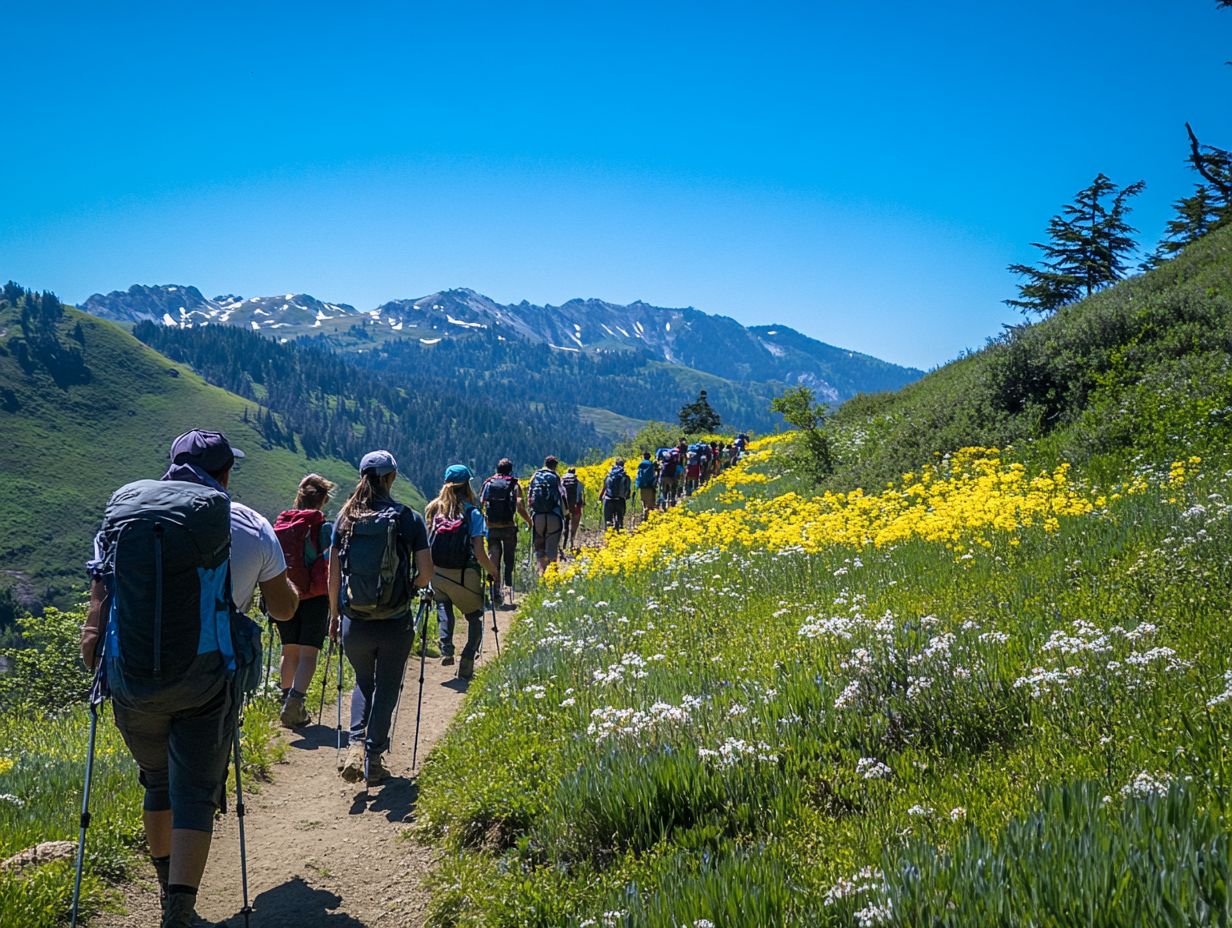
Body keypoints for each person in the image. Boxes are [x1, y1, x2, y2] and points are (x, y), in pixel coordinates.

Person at [81, 429, 299, 928]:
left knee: (156, 781)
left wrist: (99, 663)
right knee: (195, 792)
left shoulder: (125, 518)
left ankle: (163, 888)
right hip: (204, 679)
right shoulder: (244, 523)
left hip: (131, 678)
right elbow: (284, 608)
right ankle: (181, 908)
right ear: (226, 474)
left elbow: (96, 612)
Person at [329, 450, 433, 786]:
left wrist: (334, 617)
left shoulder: (345, 519)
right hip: (395, 619)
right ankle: (374, 756)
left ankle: (356, 742)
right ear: (392, 477)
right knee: (388, 684)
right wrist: (408, 589)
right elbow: (426, 573)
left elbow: (333, 576)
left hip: (354, 620)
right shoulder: (408, 518)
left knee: (363, 681)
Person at [272, 474, 336, 728]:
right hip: (315, 596)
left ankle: (286, 698)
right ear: (322, 500)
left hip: (285, 592)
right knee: (309, 653)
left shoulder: (282, 523)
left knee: (289, 650)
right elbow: (332, 565)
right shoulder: (323, 527)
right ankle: (295, 704)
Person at [426, 465, 500, 679]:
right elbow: (478, 551)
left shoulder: (433, 509)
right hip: (463, 573)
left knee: (442, 604)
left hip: (437, 571)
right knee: (475, 617)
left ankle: (446, 646)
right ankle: (467, 659)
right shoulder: (472, 513)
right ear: (467, 485)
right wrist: (492, 570)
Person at [480, 459, 530, 606]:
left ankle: (495, 590)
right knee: (509, 555)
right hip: (508, 526)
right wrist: (529, 521)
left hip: (492, 526)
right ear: (510, 470)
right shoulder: (514, 484)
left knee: (494, 556)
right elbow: (520, 505)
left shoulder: (488, 483)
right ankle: (508, 581)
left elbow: (481, 502)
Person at [527, 455, 565, 574]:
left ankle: (540, 574)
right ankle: (552, 577)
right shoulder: (555, 477)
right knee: (552, 547)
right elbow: (562, 495)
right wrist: (565, 513)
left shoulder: (535, 476)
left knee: (539, 547)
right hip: (553, 515)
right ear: (555, 466)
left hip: (538, 516)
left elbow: (530, 497)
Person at [601, 458, 632, 531]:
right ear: (623, 465)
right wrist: (626, 496)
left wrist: (600, 498)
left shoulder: (608, 475)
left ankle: (608, 532)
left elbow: (604, 488)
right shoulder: (625, 476)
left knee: (608, 519)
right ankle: (618, 527)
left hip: (608, 499)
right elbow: (627, 490)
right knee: (619, 517)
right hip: (620, 499)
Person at [561, 466, 585, 550]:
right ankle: (572, 542)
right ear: (574, 473)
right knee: (574, 524)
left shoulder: (562, 481)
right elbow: (581, 496)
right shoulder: (578, 483)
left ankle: (563, 544)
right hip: (576, 506)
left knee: (564, 524)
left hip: (564, 507)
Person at [635, 451, 658, 522]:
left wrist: (637, 485)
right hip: (650, 486)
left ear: (643, 456)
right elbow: (653, 476)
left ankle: (644, 514)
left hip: (642, 486)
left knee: (643, 501)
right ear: (649, 457)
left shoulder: (641, 464)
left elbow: (638, 475)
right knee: (650, 503)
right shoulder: (651, 465)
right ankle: (647, 517)